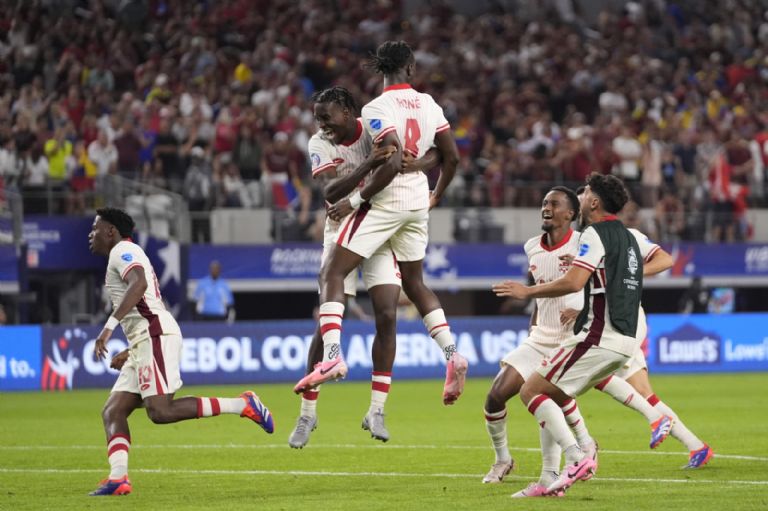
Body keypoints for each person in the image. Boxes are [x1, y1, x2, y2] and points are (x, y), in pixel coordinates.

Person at [295, 41, 468, 406]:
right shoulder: (430, 104)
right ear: (411, 67)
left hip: (383, 202)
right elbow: (449, 157)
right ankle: (452, 353)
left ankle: (332, 357)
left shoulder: (376, 108)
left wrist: (355, 200)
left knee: (331, 273)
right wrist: (434, 191)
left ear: (381, 70)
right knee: (415, 283)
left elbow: (389, 159)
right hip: (419, 201)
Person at [87, 208, 273, 496]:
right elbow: (144, 304)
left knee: (160, 411)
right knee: (113, 410)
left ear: (111, 231)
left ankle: (243, 404)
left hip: (156, 335)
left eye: (95, 228)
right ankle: (118, 478)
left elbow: (139, 285)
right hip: (145, 340)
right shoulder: (123, 252)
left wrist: (108, 328)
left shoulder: (122, 249)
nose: (91, 233)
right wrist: (132, 346)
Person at [493, 173, 644, 496]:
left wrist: (527, 291)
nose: (582, 195)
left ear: (594, 202)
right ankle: (550, 480)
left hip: (599, 335)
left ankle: (578, 455)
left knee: (531, 391)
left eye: (586, 192)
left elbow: (573, 283)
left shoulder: (593, 235)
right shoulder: (629, 238)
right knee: (549, 392)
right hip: (624, 337)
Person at [289, 86, 405, 447]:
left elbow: (399, 163)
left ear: (347, 110)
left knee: (387, 314)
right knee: (324, 331)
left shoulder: (374, 128)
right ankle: (307, 415)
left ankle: (377, 409)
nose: (322, 125)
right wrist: (371, 162)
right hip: (340, 229)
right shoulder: (318, 144)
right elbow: (330, 192)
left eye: (327, 116)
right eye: (317, 118)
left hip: (380, 227)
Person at [571, 187, 714, 469]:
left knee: (581, 377)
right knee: (644, 394)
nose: (580, 204)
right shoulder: (580, 241)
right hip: (602, 323)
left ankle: (577, 453)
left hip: (622, 321)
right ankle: (696, 446)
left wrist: (628, 272)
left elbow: (665, 260)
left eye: (583, 198)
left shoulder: (628, 236)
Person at [482, 186, 597, 493]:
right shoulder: (531, 246)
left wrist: (584, 309)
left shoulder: (584, 244)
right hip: (539, 337)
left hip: (570, 339)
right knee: (495, 395)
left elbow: (603, 286)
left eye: (554, 203)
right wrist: (533, 327)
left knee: (543, 397)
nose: (546, 207)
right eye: (544, 202)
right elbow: (539, 291)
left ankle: (566, 462)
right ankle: (503, 459)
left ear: (570, 214)